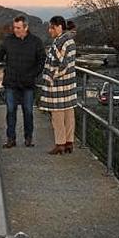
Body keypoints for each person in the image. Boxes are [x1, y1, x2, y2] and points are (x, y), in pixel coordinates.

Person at [0, 15, 46, 148]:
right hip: (11, 82)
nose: (15, 30)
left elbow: (41, 61)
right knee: (10, 111)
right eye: (14, 27)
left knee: (28, 111)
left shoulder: (36, 42)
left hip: (28, 84)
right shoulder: (8, 41)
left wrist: (33, 75)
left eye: (18, 27)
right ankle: (11, 139)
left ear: (26, 27)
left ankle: (28, 138)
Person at [38, 16, 78, 155]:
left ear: (59, 27)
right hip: (68, 84)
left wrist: (51, 77)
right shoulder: (67, 41)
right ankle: (68, 142)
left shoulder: (63, 42)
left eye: (52, 27)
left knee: (58, 116)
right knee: (68, 113)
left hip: (58, 84)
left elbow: (64, 64)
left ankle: (60, 144)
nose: (50, 30)